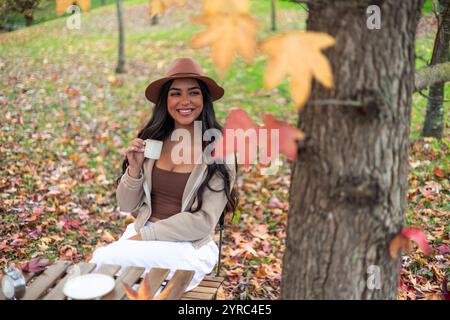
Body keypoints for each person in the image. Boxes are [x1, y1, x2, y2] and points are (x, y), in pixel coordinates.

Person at [89, 57, 238, 292]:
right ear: (165, 100)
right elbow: (126, 204)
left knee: (103, 260)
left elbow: (203, 222)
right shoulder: (153, 140)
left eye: (194, 93)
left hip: (188, 248)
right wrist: (134, 169)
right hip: (143, 238)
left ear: (204, 99)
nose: (185, 101)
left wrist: (146, 236)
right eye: (176, 93)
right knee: (109, 280)